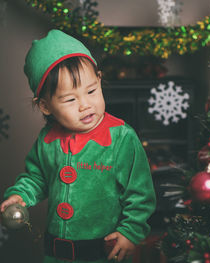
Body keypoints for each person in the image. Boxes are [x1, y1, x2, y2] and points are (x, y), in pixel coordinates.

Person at [0, 29, 156, 263]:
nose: (85, 105)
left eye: (91, 91)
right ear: (45, 106)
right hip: (55, 253)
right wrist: (21, 195)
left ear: (100, 80)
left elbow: (140, 194)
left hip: (103, 252)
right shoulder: (47, 140)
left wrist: (130, 231)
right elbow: (37, 178)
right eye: (70, 99)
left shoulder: (121, 138)